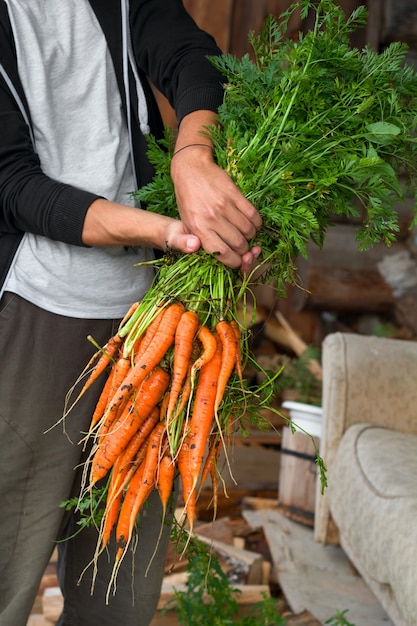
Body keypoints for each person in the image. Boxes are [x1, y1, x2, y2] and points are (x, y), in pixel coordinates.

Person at [0, 1, 262, 625]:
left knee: (120, 596)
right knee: (8, 572)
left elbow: (190, 55)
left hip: (149, 310)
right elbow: (12, 184)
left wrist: (194, 155)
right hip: (36, 310)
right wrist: (171, 231)